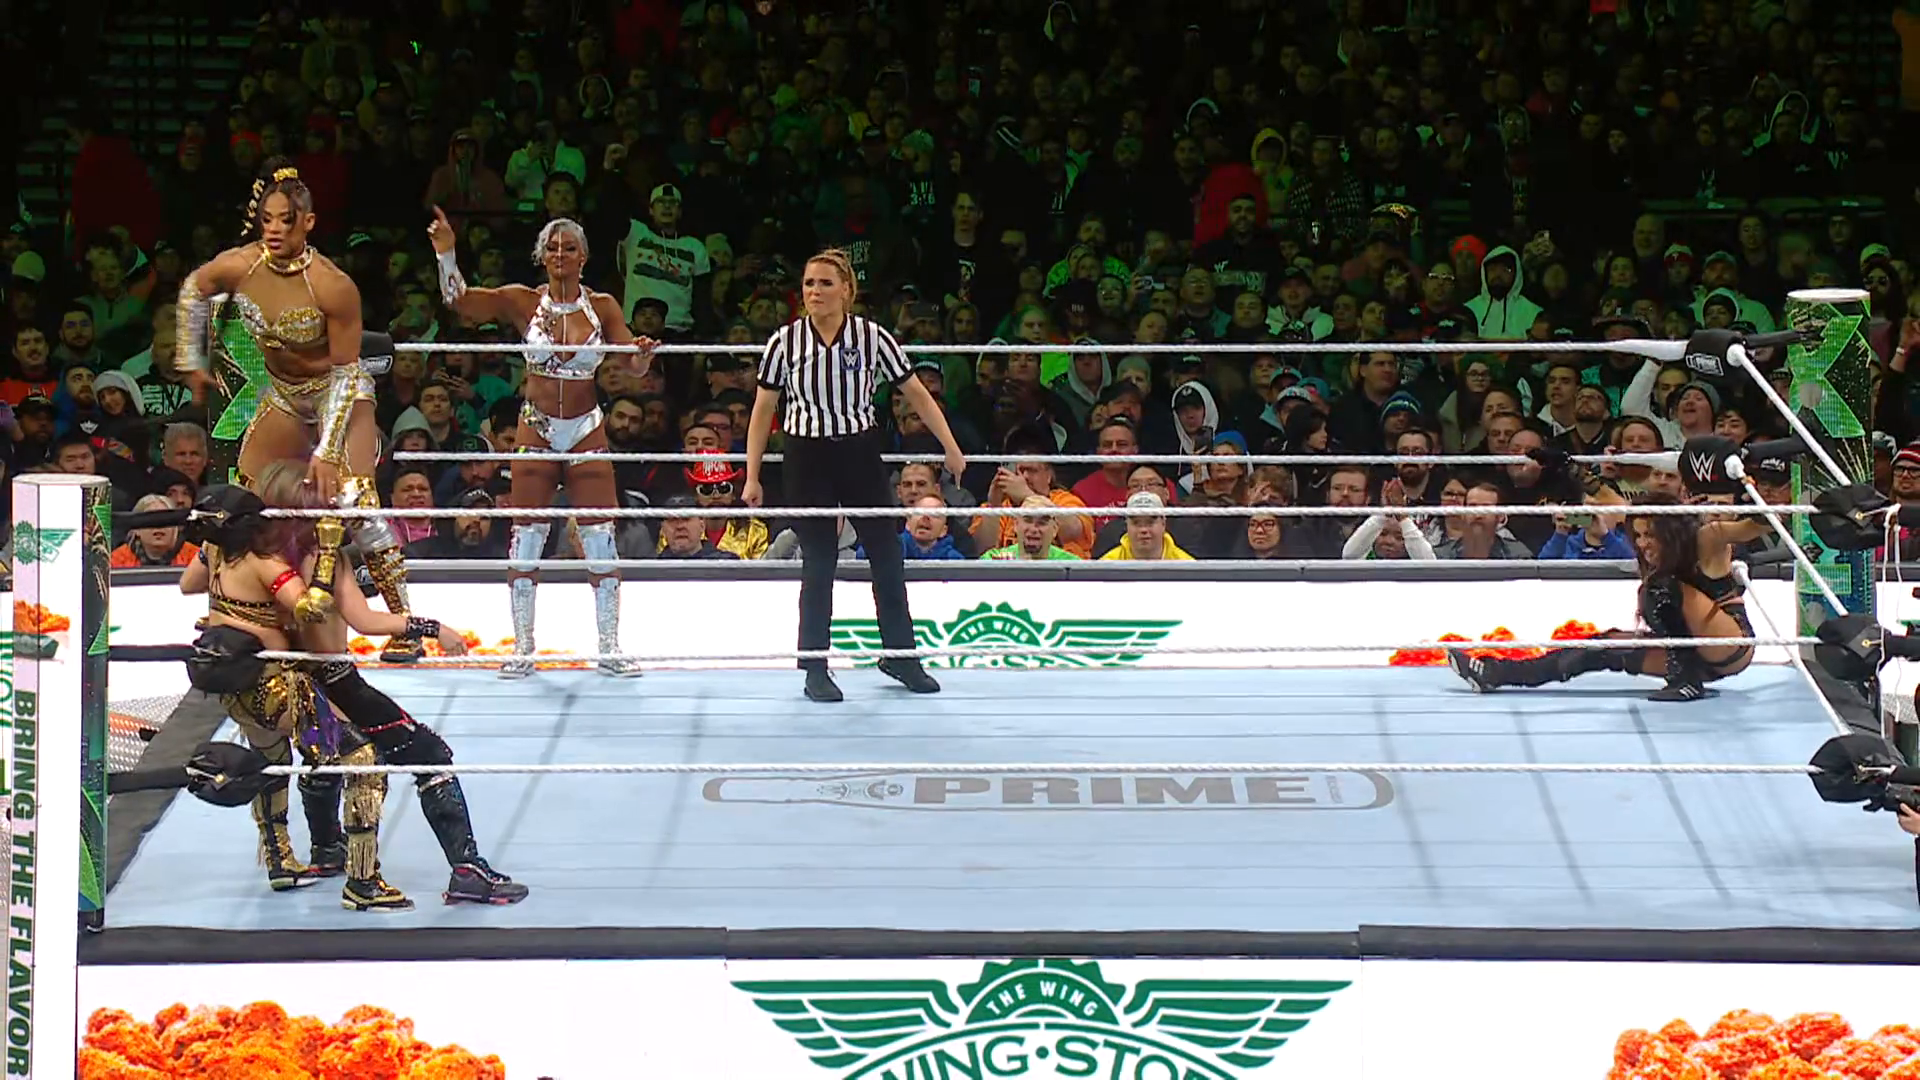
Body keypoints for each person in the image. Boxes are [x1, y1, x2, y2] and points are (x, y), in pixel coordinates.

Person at [173, 158, 424, 663]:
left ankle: (405, 623)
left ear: (307, 222)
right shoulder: (241, 265)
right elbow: (193, 290)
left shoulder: (332, 285)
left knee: (356, 500)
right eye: (266, 219)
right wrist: (190, 358)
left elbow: (346, 373)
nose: (273, 230)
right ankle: (231, 600)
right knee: (244, 492)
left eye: (285, 221)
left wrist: (327, 451)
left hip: (339, 392)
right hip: (285, 393)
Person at [178, 481, 465, 910]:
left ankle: (281, 861)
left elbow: (187, 584)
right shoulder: (268, 562)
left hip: (231, 685)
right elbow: (313, 610)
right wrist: (329, 554)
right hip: (275, 685)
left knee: (271, 759)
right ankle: (363, 882)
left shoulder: (218, 553)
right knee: (362, 759)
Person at [428, 207, 658, 678]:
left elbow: (632, 366)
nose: (559, 254)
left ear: (583, 257)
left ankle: (610, 647)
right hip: (536, 427)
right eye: (552, 247)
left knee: (600, 538)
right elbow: (461, 303)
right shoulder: (522, 301)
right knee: (526, 537)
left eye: (568, 248)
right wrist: (446, 253)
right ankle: (524, 647)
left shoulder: (603, 307)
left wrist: (642, 356)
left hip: (585, 427)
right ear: (541, 255)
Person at [742, 247, 966, 703]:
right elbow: (763, 409)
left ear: (847, 289)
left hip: (859, 451)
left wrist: (950, 446)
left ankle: (900, 655)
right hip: (806, 455)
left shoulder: (872, 337)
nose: (815, 291)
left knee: (886, 551)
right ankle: (814, 666)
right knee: (818, 558)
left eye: (825, 283)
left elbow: (916, 393)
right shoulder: (784, 342)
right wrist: (752, 474)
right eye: (809, 283)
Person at [1447, 491, 1767, 701]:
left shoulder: (1705, 539)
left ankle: (1685, 682)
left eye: (1650, 535)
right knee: (1601, 647)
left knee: (1657, 589)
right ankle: (1497, 673)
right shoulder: (1658, 561)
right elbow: (1604, 494)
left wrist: (1760, 500)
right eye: (1637, 535)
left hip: (1728, 644)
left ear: (1670, 531)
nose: (1642, 543)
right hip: (1690, 654)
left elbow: (1754, 527)